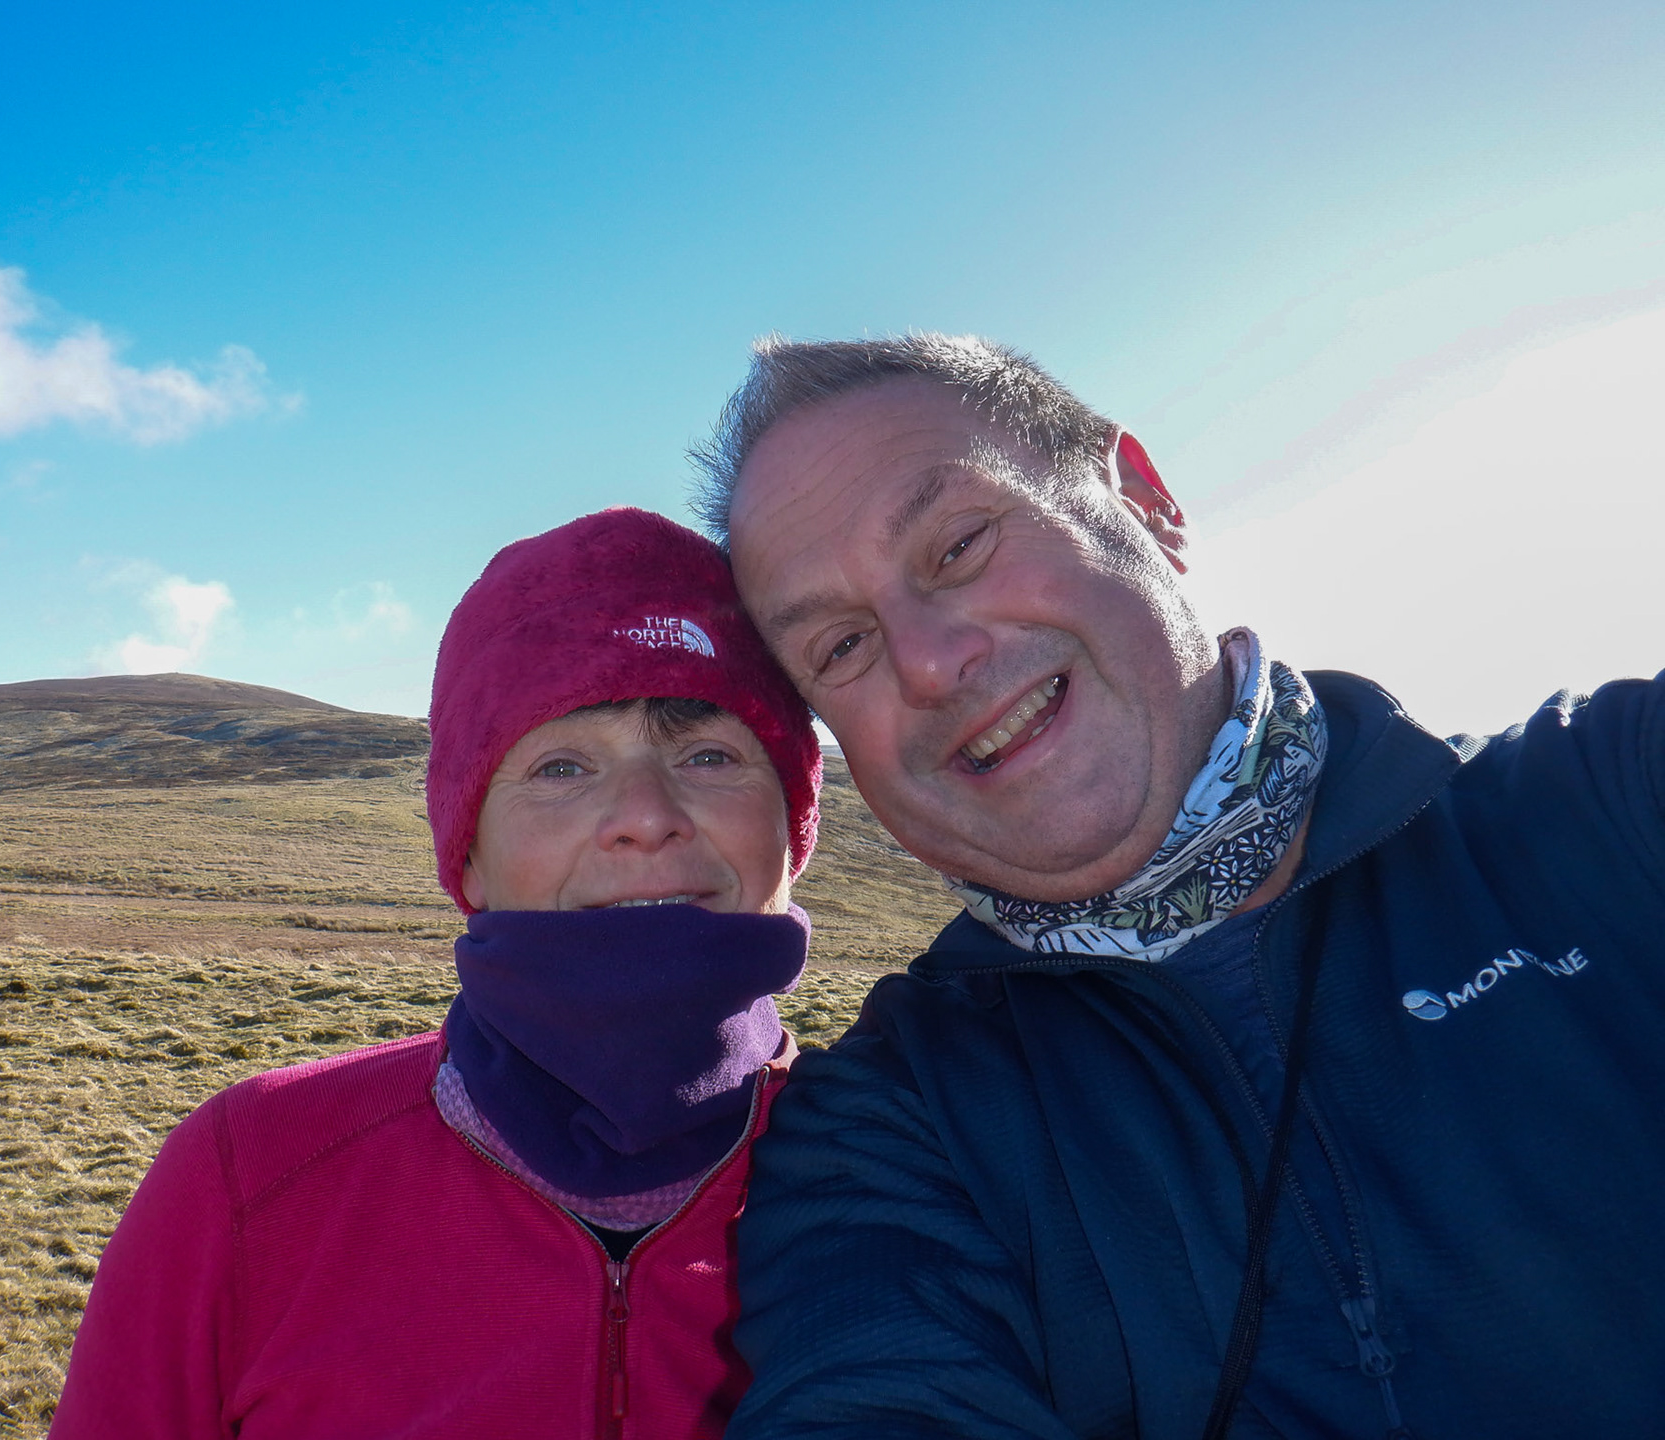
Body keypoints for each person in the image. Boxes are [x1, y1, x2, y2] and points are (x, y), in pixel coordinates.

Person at [694, 333, 1665, 1439]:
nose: (926, 660)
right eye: (841, 646)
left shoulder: (1611, 800)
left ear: (1146, 501)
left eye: (959, 544)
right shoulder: (886, 1126)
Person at [50, 507, 822, 1439]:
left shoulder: (916, 1169)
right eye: (562, 768)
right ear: (469, 858)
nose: (646, 815)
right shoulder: (248, 1173)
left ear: (791, 832)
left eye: (708, 755)